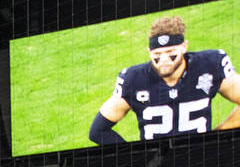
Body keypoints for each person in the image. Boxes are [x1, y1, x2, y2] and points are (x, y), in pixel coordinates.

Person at [90, 15, 240, 145]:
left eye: (170, 53)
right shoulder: (133, 79)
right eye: (157, 54)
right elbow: (97, 131)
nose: (164, 60)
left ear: (184, 47)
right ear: (149, 52)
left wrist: (218, 136)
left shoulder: (209, 65)